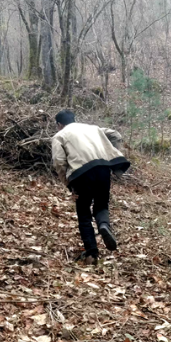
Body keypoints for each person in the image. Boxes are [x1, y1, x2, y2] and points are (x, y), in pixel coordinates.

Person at [52, 109, 130, 264]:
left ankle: (92, 253)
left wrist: (69, 185)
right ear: (74, 119)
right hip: (103, 168)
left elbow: (59, 162)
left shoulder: (59, 136)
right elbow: (116, 135)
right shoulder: (93, 128)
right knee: (101, 204)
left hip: (81, 174)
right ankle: (103, 225)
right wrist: (111, 151)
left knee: (84, 213)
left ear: (59, 124)